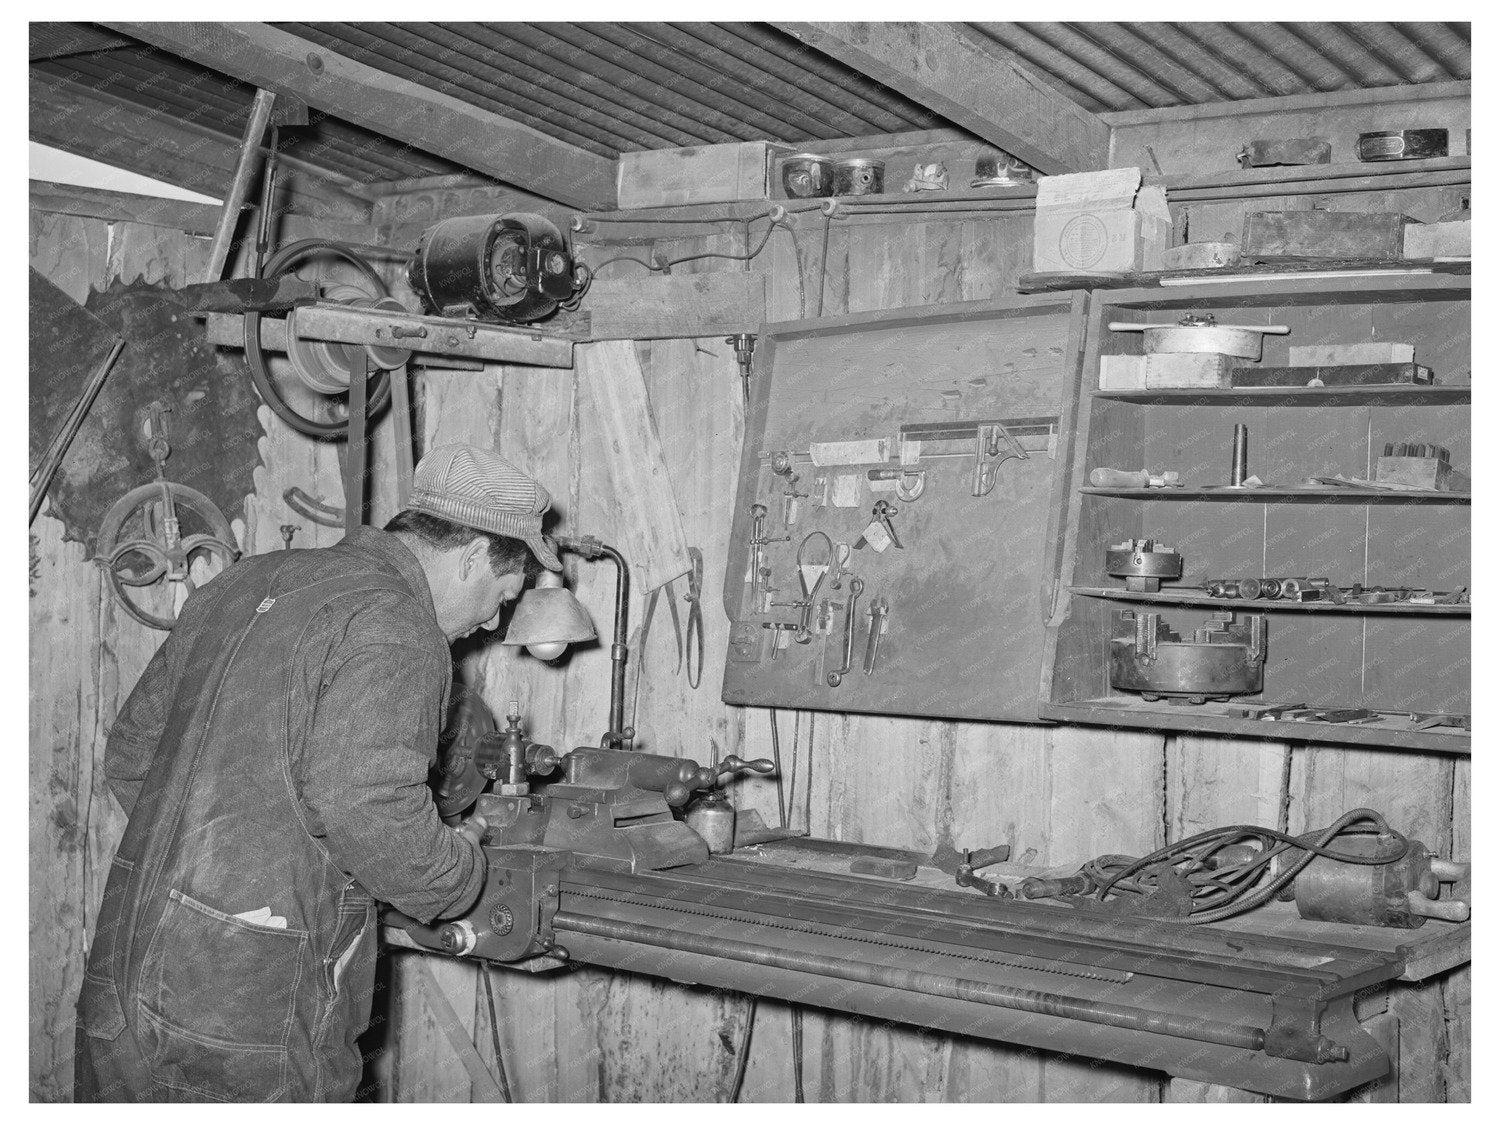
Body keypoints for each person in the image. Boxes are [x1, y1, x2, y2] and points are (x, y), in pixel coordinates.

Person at [74, 444, 562, 1102]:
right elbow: (372, 819)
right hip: (251, 1006)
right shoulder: (397, 624)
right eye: (502, 596)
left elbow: (130, 757)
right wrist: (461, 865)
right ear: (472, 553)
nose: (492, 621)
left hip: (125, 966)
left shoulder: (244, 581)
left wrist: (221, 870)